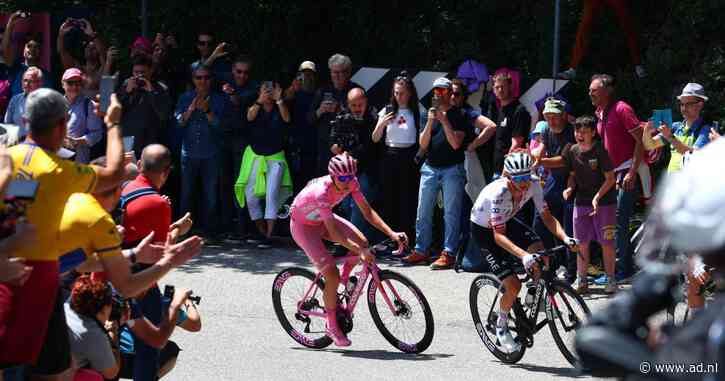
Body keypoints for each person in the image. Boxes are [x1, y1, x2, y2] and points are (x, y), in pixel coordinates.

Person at [0, 88, 124, 380]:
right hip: (34, 283)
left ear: (25, 120)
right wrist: (114, 123)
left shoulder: (11, 158)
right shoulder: (59, 171)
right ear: (61, 126)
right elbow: (117, 171)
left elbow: (18, 205)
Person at [289, 153, 407, 346]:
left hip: (321, 219)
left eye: (351, 176)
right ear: (333, 176)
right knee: (331, 274)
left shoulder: (351, 182)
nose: (348, 181)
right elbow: (334, 233)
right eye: (343, 178)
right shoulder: (322, 192)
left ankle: (345, 280)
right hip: (303, 227)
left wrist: (391, 233)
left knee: (363, 242)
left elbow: (367, 212)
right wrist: (359, 252)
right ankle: (332, 325)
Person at [469, 152, 578, 353]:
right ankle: (501, 327)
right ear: (508, 177)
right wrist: (523, 256)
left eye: (527, 176)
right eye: (518, 178)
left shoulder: (534, 184)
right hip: (485, 231)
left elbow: (546, 216)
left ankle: (534, 293)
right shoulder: (499, 194)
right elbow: (498, 237)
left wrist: (565, 238)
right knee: (513, 285)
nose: (524, 183)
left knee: (541, 254)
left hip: (507, 221)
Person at [402, 77, 468, 270]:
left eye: (442, 91)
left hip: (452, 169)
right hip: (430, 167)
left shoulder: (459, 115)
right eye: (435, 91)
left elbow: (456, 144)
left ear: (449, 92)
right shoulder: (427, 115)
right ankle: (421, 250)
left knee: (451, 213)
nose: (438, 94)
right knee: (423, 210)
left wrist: (444, 120)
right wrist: (431, 121)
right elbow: (423, 144)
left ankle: (448, 253)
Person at [589, 74, 647, 283]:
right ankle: (614, 269)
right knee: (609, 222)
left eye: (594, 90)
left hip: (626, 173)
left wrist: (632, 172)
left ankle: (624, 270)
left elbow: (641, 140)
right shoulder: (600, 112)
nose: (590, 94)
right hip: (611, 176)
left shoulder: (622, 109)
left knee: (618, 221)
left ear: (607, 91)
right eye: (590, 90)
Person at [562, 116, 617, 294]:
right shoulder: (571, 151)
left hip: (605, 203)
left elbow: (610, 179)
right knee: (580, 242)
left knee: (606, 242)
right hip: (581, 202)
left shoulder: (600, 151)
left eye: (584, 131)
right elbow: (571, 175)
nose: (580, 135)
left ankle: (610, 280)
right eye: (577, 131)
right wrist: (569, 189)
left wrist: (597, 198)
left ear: (593, 133)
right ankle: (582, 280)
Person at [235, 81, 293, 249]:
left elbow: (287, 119)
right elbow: (249, 117)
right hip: (255, 156)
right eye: (265, 89)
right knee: (250, 195)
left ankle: (269, 235)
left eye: (271, 89)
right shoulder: (254, 105)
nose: (268, 92)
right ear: (259, 91)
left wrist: (279, 99)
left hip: (275, 157)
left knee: (271, 194)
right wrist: (260, 101)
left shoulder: (280, 106)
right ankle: (261, 230)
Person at [175, 65, 226, 241]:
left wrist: (207, 110)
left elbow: (221, 126)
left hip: (210, 153)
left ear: (211, 80)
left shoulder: (219, 99)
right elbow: (179, 122)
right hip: (188, 152)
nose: (202, 81)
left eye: (206, 78)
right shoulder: (185, 97)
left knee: (210, 194)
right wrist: (190, 109)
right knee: (187, 193)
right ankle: (183, 232)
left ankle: (210, 232)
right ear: (193, 80)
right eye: (199, 78)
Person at [531, 98, 576, 284]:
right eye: (547, 117)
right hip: (552, 180)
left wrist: (538, 162)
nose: (551, 121)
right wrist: (531, 156)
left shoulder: (572, 133)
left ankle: (571, 271)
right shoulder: (548, 130)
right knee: (539, 223)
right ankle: (552, 263)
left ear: (564, 115)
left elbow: (564, 161)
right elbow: (542, 148)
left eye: (555, 116)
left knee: (568, 228)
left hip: (571, 182)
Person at [372, 73, 421, 247]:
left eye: (402, 92)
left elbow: (422, 138)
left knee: (407, 199)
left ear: (410, 93)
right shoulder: (386, 110)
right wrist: (381, 124)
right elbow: (375, 138)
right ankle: (389, 238)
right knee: (389, 198)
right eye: (396, 93)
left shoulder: (417, 111)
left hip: (409, 157)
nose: (398, 96)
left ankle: (407, 239)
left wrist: (418, 157)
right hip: (390, 155)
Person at [115, 285, 197, 381]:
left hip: (112, 360)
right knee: (170, 348)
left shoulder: (114, 300)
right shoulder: (162, 304)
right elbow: (195, 325)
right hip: (139, 361)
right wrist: (187, 302)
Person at [329, 87, 380, 240]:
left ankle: (351, 243)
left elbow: (370, 145)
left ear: (365, 102)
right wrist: (337, 149)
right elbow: (332, 141)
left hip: (367, 169)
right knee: (345, 205)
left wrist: (349, 155)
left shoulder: (373, 118)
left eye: (360, 105)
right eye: (354, 105)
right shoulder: (342, 118)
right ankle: (361, 239)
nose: (357, 109)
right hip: (346, 171)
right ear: (348, 104)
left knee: (358, 206)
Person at [219, 55, 257, 241]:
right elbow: (197, 72)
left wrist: (232, 94)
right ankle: (226, 226)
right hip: (223, 140)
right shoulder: (222, 81)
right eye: (238, 72)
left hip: (242, 141)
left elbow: (239, 102)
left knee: (240, 184)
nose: (242, 75)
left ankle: (242, 228)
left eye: (245, 72)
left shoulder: (252, 88)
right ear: (232, 71)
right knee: (224, 183)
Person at [308, 54, 362, 175]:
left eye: (340, 72)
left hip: (347, 150)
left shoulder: (356, 91)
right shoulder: (322, 91)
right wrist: (320, 110)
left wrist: (340, 110)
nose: (336, 76)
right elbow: (309, 119)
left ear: (348, 73)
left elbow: (362, 119)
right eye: (334, 72)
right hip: (324, 150)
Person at [64, 276, 120, 380]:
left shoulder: (68, 304)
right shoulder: (93, 333)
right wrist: (113, 332)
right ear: (105, 309)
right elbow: (112, 373)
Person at [118, 54, 172, 155]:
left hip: (150, 141)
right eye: (136, 72)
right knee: (127, 169)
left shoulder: (161, 89)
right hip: (128, 139)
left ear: (151, 70)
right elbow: (116, 112)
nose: (139, 76)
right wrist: (126, 92)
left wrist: (151, 92)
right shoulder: (126, 84)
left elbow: (164, 115)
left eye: (142, 72)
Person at [285, 60, 319, 194]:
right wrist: (292, 89)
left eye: (310, 74)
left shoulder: (319, 92)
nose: (307, 77)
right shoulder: (294, 91)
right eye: (304, 74)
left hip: (313, 141)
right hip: (296, 142)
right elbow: (284, 101)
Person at [1, 11, 52, 97]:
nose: (32, 49)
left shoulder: (46, 76)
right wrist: (11, 23)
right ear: (23, 50)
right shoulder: (15, 69)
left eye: (36, 47)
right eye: (29, 46)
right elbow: (4, 51)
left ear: (41, 52)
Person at [490, 72, 530, 177]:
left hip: (512, 172)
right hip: (497, 170)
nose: (500, 90)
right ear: (493, 90)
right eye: (497, 87)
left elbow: (516, 143)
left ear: (511, 87)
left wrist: (505, 171)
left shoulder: (519, 111)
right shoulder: (500, 110)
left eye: (503, 87)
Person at [62, 68, 104, 163]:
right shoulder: (55, 103)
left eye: (78, 83)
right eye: (70, 83)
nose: (74, 86)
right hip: (57, 160)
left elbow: (97, 133)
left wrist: (77, 141)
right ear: (62, 84)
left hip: (79, 161)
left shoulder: (89, 105)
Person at [4, 66, 44, 137]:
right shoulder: (15, 100)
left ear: (39, 83)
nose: (26, 84)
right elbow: (7, 124)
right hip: (16, 143)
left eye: (31, 81)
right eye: (25, 80)